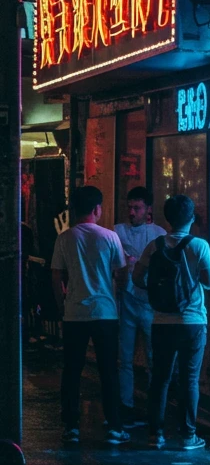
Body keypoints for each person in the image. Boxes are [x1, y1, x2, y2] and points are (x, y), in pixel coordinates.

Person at [134, 194, 210, 450]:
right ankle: (188, 436)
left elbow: (137, 279)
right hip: (192, 322)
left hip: (161, 322)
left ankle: (154, 435)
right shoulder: (199, 246)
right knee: (189, 379)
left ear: (166, 219)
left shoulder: (154, 246)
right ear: (191, 219)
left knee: (160, 378)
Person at [51, 185, 130, 445]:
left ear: (74, 210)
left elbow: (56, 275)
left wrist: (61, 305)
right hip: (106, 313)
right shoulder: (109, 237)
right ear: (97, 209)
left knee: (72, 370)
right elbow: (121, 273)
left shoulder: (65, 238)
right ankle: (114, 427)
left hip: (74, 313)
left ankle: (71, 426)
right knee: (108, 371)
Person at [113, 186, 166, 426]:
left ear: (148, 210)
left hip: (149, 304)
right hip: (126, 301)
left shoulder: (158, 234)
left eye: (137, 208)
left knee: (154, 358)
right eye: (129, 207)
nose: (132, 212)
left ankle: (156, 407)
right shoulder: (116, 232)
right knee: (124, 358)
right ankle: (125, 405)